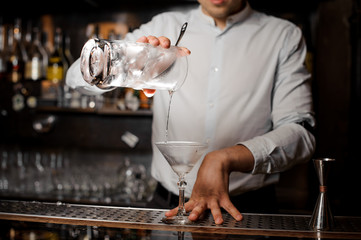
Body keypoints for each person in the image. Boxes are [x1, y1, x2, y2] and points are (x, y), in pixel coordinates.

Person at [66, 0, 316, 225]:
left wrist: (227, 158)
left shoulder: (283, 36)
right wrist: (120, 64)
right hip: (167, 206)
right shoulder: (164, 25)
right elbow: (74, 78)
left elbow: (300, 132)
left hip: (246, 210)